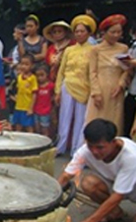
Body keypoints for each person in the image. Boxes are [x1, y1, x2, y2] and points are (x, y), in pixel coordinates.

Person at [58, 118, 136, 222]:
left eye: (100, 147)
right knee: (88, 183)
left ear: (114, 142)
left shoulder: (130, 157)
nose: (94, 152)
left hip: (127, 189)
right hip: (120, 185)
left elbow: (118, 196)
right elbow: (66, 176)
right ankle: (115, 212)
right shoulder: (85, 151)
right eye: (90, 146)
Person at [56, 15, 96, 156]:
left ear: (89, 33)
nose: (79, 34)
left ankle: (76, 150)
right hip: (68, 85)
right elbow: (61, 71)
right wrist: (57, 91)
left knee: (81, 120)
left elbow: (93, 72)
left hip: (84, 88)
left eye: (82, 31)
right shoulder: (69, 50)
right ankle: (60, 147)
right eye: (77, 31)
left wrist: (93, 90)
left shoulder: (93, 50)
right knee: (64, 118)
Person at [86, 15, 129, 137]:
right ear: (104, 33)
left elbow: (126, 70)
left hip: (116, 90)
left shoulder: (123, 48)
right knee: (96, 119)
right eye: (113, 32)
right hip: (100, 89)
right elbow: (92, 72)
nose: (116, 35)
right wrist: (96, 92)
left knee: (115, 120)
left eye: (119, 32)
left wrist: (121, 85)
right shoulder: (96, 50)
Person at [34, 63, 55, 137]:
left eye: (42, 75)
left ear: (47, 75)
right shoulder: (35, 85)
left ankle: (46, 141)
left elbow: (54, 95)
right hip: (36, 110)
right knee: (37, 128)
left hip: (46, 111)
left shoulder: (51, 85)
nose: (39, 78)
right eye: (37, 76)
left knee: (45, 128)